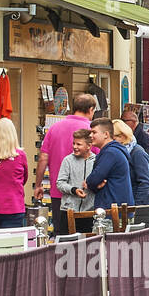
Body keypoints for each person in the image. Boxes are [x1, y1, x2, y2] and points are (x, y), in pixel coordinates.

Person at [35, 93, 98, 238]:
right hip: (86, 194)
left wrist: (38, 184)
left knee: (61, 234)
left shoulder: (55, 128)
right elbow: (99, 160)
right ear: (90, 109)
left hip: (59, 192)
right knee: (86, 234)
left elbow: (43, 157)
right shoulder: (91, 131)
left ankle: (62, 260)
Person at [85, 117, 133, 222]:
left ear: (106, 134)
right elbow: (94, 182)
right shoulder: (111, 151)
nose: (90, 136)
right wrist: (95, 185)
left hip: (112, 214)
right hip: (114, 212)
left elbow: (92, 180)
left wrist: (92, 184)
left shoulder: (110, 153)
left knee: (104, 239)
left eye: (94, 132)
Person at [114, 119, 149, 207]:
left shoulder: (137, 152)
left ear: (123, 136)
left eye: (113, 138)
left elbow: (144, 183)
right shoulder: (120, 152)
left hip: (135, 204)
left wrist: (136, 207)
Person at [56, 129, 96, 217]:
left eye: (79, 144)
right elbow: (60, 183)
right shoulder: (68, 160)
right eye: (74, 143)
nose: (75, 147)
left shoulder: (96, 161)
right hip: (69, 210)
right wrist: (74, 190)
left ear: (89, 146)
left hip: (90, 211)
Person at [121, 104, 149, 192]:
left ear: (133, 121)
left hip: (141, 184)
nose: (122, 123)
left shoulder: (142, 137)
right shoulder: (134, 135)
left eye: (124, 120)